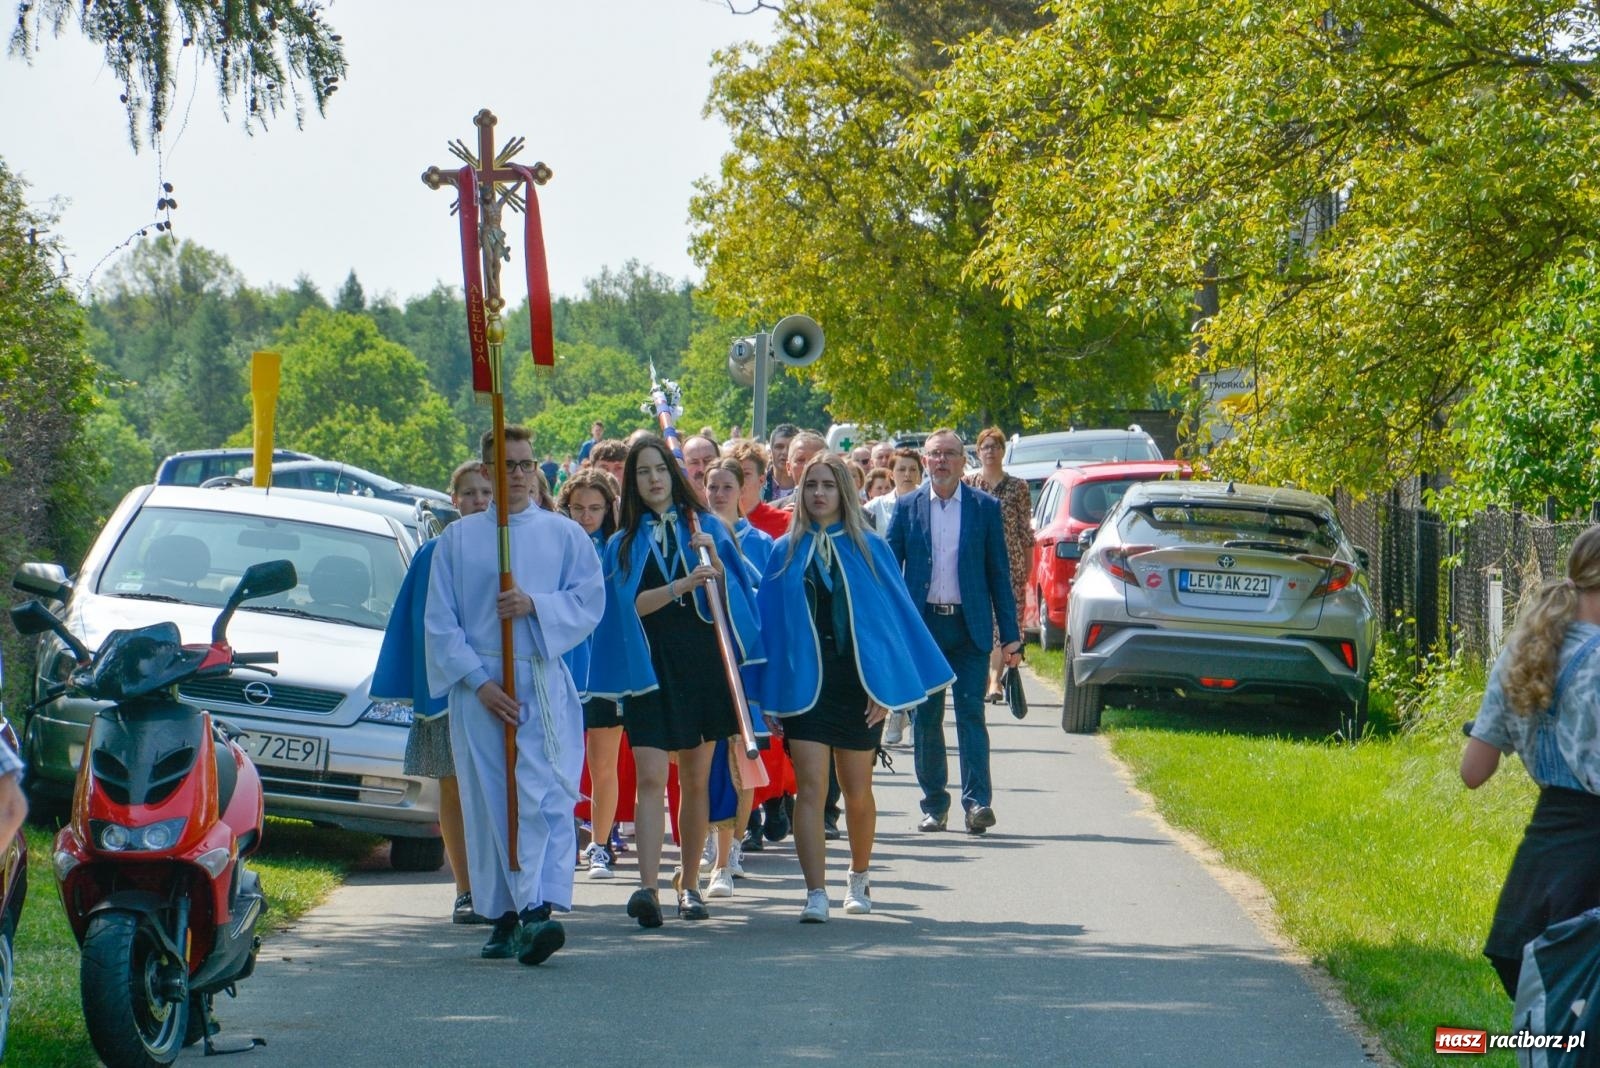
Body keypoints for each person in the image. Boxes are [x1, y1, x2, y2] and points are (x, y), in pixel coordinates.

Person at [423, 425, 605, 965]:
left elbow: (588, 600)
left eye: (527, 465)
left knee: (544, 794)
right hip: (480, 687)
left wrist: (535, 606)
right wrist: (480, 683)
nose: (521, 475)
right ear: (486, 471)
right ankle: (502, 915)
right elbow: (440, 622)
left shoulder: (562, 533)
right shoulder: (457, 541)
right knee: (489, 799)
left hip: (539, 679)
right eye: (508, 466)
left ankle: (539, 909)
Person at [756, 453, 952, 922]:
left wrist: (885, 691)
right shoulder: (784, 551)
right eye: (810, 485)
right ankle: (815, 892)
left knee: (857, 788)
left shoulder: (871, 548)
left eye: (827, 485)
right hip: (806, 688)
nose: (818, 494)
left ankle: (859, 876)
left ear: (843, 491)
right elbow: (771, 628)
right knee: (810, 788)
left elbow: (892, 624)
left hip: (858, 686)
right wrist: (768, 693)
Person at [588, 435, 764, 926]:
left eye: (661, 469)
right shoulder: (623, 543)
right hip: (649, 670)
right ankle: (647, 888)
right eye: (643, 472)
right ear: (633, 482)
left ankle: (688, 885)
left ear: (674, 474)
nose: (654, 479)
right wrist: (682, 584)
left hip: (703, 667)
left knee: (694, 779)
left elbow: (739, 603)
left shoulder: (707, 527)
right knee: (649, 778)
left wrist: (717, 565)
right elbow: (628, 606)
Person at [1462, 525, 1600, 998]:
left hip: (1538, 873)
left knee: (1551, 1023)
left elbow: (1473, 771)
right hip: (1589, 878)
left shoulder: (1523, 653)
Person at [371, 458, 494, 925]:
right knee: (453, 785)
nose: (478, 500)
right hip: (448, 693)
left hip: (499, 692)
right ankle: (465, 888)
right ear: (454, 500)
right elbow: (419, 628)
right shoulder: (434, 552)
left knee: (499, 790)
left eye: (486, 492)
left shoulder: (510, 549)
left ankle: (503, 884)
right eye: (469, 493)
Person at [886, 428, 1021, 835]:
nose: (941, 461)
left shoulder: (984, 507)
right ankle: (934, 805)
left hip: (970, 628)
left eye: (949, 454)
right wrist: (891, 632)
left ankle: (977, 802)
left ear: (965, 463)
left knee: (970, 714)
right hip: (924, 629)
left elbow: (999, 573)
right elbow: (891, 574)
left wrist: (1011, 635)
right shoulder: (908, 508)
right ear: (924, 462)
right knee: (926, 718)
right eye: (934, 455)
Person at [700, 456, 775, 897]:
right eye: (712, 486)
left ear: (744, 487)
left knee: (743, 756)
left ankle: (735, 843)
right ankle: (714, 844)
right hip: (709, 655)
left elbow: (764, 596)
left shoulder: (759, 540)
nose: (720, 494)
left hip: (747, 654)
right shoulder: (697, 534)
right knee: (710, 757)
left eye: (729, 485)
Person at [558, 468, 626, 880]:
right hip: (563, 666)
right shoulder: (555, 547)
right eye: (579, 508)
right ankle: (563, 837)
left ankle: (600, 845)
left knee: (603, 763)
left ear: (608, 509)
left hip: (606, 668)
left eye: (595, 508)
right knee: (560, 762)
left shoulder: (620, 548)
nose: (586, 516)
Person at [964, 427, 1033, 704]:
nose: (990, 451)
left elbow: (1025, 532)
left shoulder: (1018, 487)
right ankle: (990, 679)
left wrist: (1026, 570)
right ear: (978, 452)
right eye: (985, 446)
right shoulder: (968, 484)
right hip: (977, 564)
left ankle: (996, 679)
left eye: (995, 446)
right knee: (987, 621)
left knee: (1006, 625)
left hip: (1010, 563)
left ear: (1003, 451)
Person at [732, 439, 789, 540]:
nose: (739, 480)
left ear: (762, 479)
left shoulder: (785, 521)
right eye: (734, 473)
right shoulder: (720, 522)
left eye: (746, 474)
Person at [765, 424, 800, 501]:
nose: (785, 452)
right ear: (770, 452)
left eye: (791, 447)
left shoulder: (808, 488)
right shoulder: (758, 486)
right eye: (779, 447)